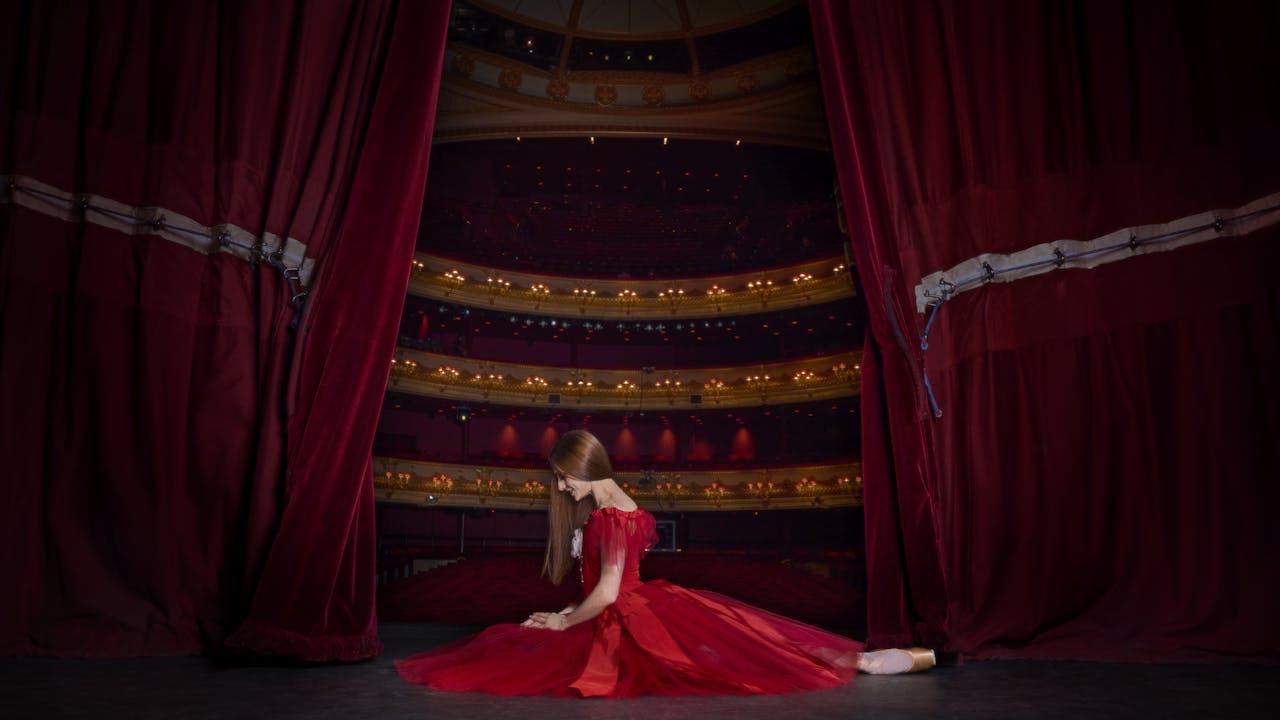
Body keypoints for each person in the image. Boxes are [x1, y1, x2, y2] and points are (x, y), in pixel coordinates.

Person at [396, 430, 935, 697]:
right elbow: (605, 586)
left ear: (586, 466)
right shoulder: (625, 508)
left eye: (564, 476)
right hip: (638, 607)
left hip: (624, 615)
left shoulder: (609, 515)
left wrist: (564, 619)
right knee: (753, 649)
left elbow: (608, 594)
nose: (561, 487)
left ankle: (888, 661)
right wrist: (565, 611)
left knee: (740, 663)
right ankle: (902, 659)